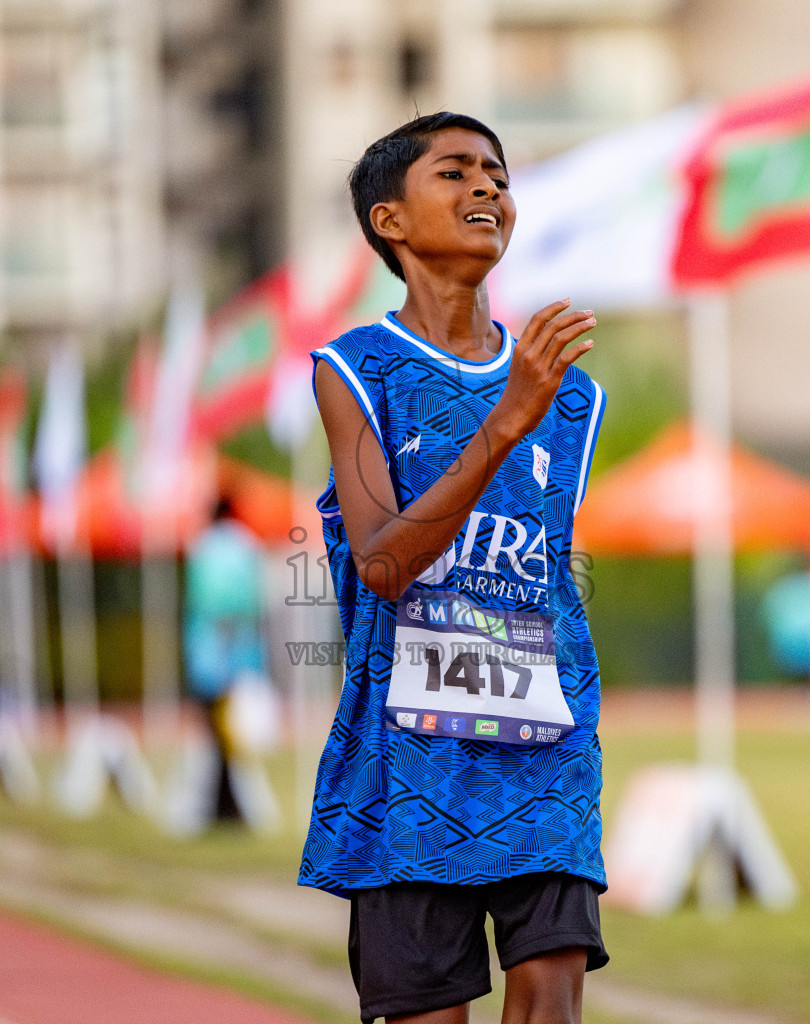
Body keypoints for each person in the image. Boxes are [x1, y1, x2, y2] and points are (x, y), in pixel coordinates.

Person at [300, 112, 608, 1024]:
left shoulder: (574, 394)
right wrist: (505, 421)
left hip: (542, 749)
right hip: (406, 762)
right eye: (457, 173)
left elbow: (547, 576)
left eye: (498, 175)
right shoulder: (357, 371)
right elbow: (385, 563)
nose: (487, 189)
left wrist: (530, 406)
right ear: (390, 221)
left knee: (551, 995)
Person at [183, 497, 267, 823]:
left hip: (208, 656)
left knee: (216, 737)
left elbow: (207, 602)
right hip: (240, 656)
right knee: (233, 738)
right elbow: (249, 603)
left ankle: (221, 805)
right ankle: (229, 805)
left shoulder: (203, 547)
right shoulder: (246, 546)